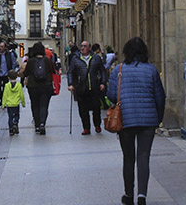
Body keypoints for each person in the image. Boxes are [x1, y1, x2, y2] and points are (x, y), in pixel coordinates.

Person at [108, 37, 166, 205]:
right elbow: (160, 97)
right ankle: (142, 196)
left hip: (125, 119)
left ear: (126, 52)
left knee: (128, 157)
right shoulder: (151, 70)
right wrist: (158, 117)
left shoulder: (118, 70)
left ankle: (129, 195)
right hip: (148, 120)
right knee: (143, 156)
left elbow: (111, 95)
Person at [68, 40, 107, 135]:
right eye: (81, 46)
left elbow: (102, 71)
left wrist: (103, 83)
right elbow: (70, 72)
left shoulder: (96, 58)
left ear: (89, 48)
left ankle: (97, 125)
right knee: (83, 109)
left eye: (85, 46)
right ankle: (86, 128)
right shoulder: (75, 59)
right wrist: (70, 84)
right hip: (81, 88)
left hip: (94, 87)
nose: (82, 48)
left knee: (96, 108)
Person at [21, 42, 54, 135]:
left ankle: (37, 126)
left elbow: (26, 73)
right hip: (46, 86)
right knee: (44, 105)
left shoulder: (31, 61)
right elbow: (53, 70)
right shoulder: (47, 60)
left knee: (35, 105)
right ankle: (43, 123)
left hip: (33, 86)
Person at [2, 69, 25, 136]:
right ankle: (15, 123)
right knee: (17, 115)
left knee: (10, 117)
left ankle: (11, 129)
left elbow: (5, 95)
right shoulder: (19, 85)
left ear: (8, 77)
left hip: (9, 104)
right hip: (16, 103)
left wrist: (3, 104)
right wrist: (23, 103)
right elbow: (21, 95)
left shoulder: (7, 86)